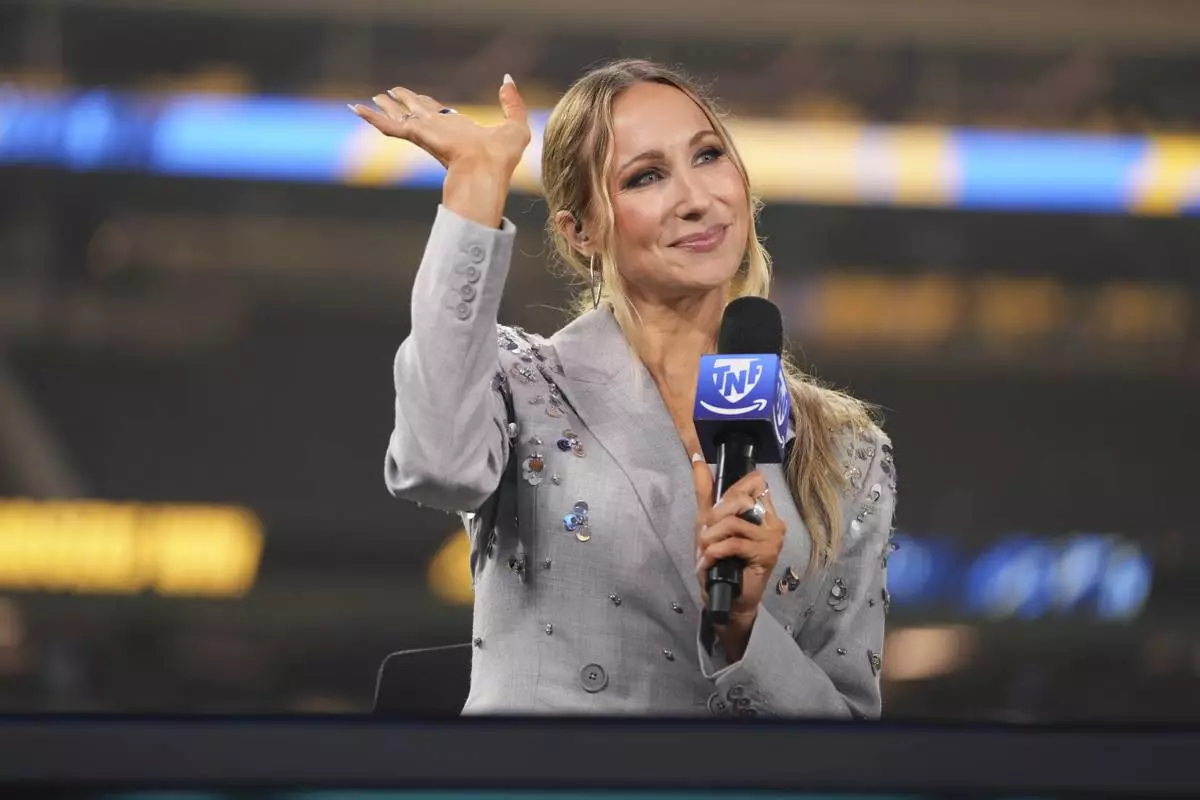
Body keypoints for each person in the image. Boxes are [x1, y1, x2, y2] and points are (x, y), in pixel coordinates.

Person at [353, 59, 897, 717]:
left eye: (708, 156)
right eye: (647, 177)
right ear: (581, 231)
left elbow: (850, 736)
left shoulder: (847, 452)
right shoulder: (521, 384)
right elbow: (434, 467)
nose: (696, 198)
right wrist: (474, 187)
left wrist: (744, 630)